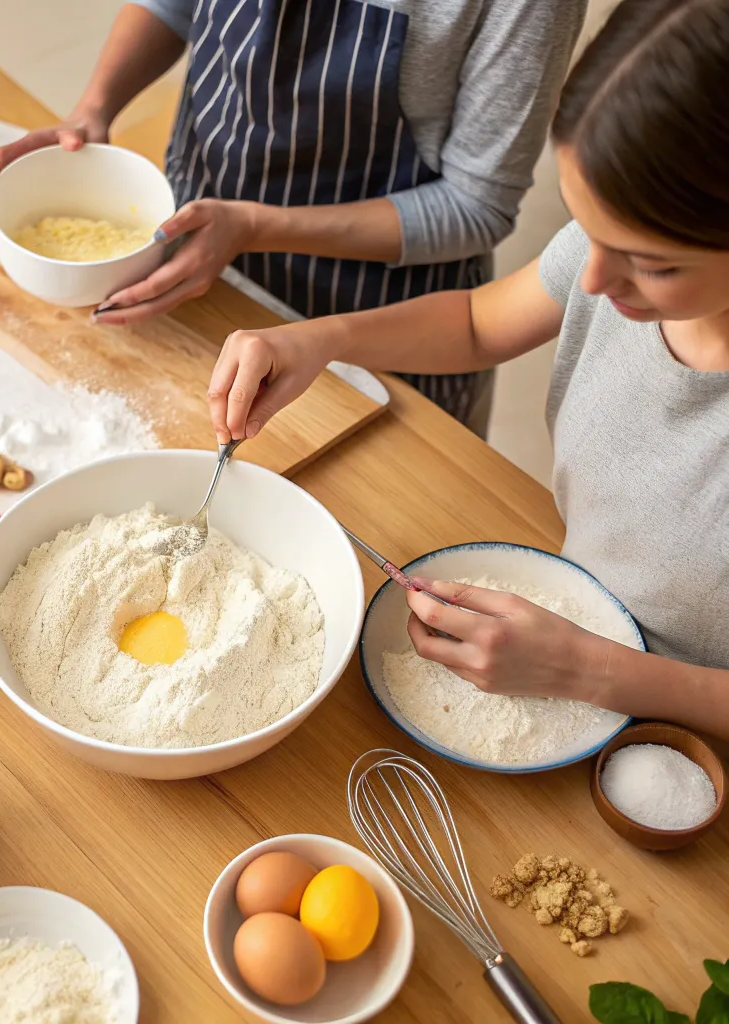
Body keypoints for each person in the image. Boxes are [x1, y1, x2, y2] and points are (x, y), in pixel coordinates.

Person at [206, 0, 729, 739]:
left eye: (654, 264)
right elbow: (481, 324)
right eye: (587, 230)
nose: (593, 281)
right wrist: (319, 340)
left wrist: (590, 670)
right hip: (577, 626)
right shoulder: (612, 255)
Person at [0, 0, 587, 435]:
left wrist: (254, 226)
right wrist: (92, 109)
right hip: (194, 246)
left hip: (379, 312)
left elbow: (474, 206)